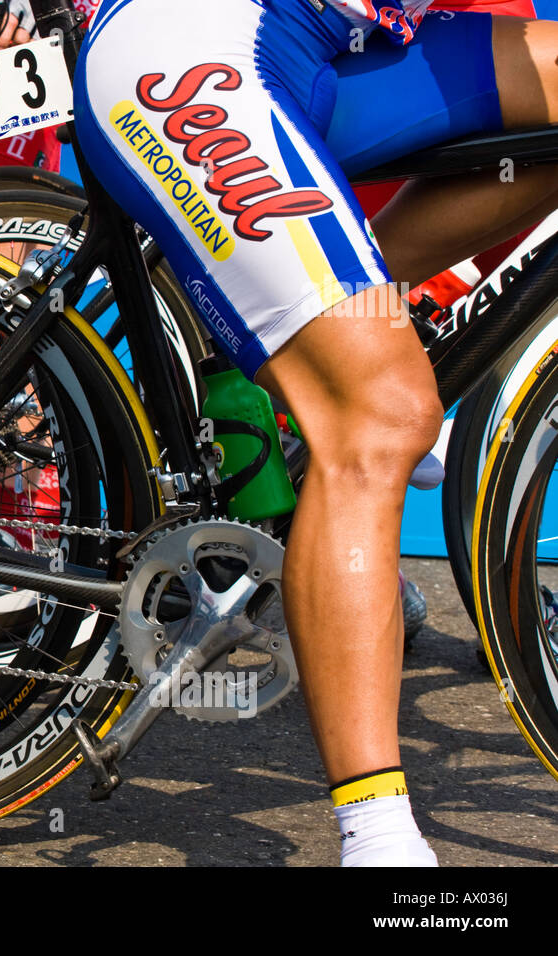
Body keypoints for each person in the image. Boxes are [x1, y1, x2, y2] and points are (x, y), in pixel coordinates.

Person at [76, 0, 558, 865]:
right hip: (195, 44)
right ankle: (376, 841)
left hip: (335, 49)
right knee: (385, 414)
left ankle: (345, 303)